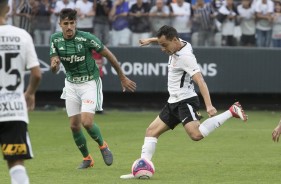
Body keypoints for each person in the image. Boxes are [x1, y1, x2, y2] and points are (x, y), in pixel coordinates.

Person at [120, 25, 247, 179]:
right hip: (173, 101)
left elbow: (200, 80)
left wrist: (209, 105)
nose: (162, 49)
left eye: (164, 45)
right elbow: (168, 38)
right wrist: (151, 40)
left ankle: (231, 111)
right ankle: (142, 169)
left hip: (185, 101)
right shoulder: (177, 42)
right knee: (151, 131)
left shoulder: (186, 57)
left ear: (174, 41)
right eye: (161, 45)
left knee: (196, 135)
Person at [50, 8, 136, 169]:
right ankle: (88, 159)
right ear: (60, 24)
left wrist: (122, 77)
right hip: (71, 84)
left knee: (87, 122)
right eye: (65, 23)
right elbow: (53, 66)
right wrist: (54, 66)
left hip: (89, 82)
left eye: (72, 23)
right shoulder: (55, 39)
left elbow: (109, 56)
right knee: (74, 126)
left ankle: (103, 145)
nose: (69, 27)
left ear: (76, 23)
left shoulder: (86, 38)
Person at [0, 0, 42, 183]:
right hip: (13, 110)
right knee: (16, 163)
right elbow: (36, 74)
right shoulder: (21, 35)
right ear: (8, 9)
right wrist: (30, 93)